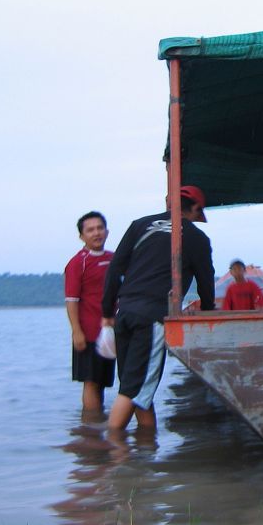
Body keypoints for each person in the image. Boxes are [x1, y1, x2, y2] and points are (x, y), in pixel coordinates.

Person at [101, 185, 215, 432]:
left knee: (137, 386)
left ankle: (145, 449)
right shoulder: (197, 238)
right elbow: (206, 283)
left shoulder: (140, 225)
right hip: (152, 317)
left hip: (125, 312)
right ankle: (108, 454)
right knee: (133, 389)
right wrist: (207, 312)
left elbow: (114, 270)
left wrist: (107, 313)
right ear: (195, 208)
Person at [64, 211, 115, 412]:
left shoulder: (114, 258)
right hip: (88, 332)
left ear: (107, 231)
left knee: (103, 381)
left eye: (100, 228)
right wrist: (76, 331)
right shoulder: (78, 262)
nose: (96, 233)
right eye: (90, 230)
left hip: (110, 331)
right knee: (91, 381)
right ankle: (90, 428)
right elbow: (71, 300)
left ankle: (96, 430)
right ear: (81, 236)